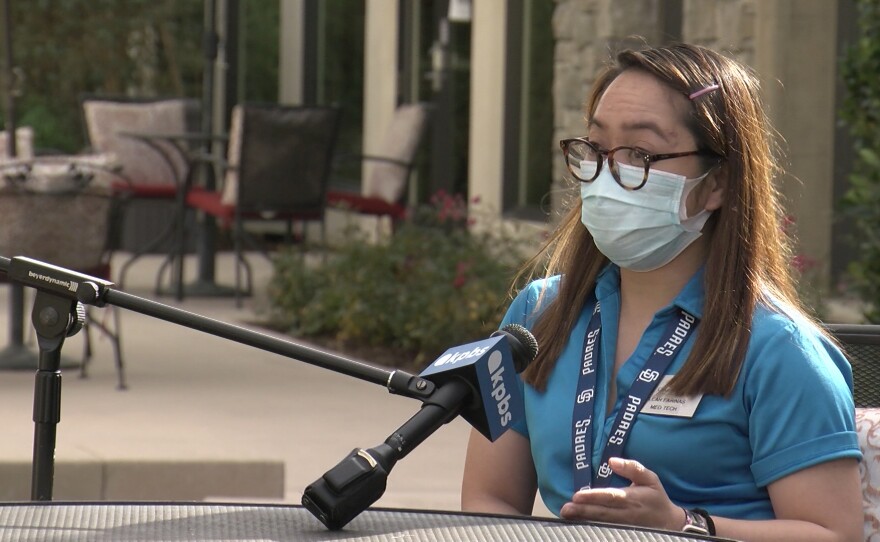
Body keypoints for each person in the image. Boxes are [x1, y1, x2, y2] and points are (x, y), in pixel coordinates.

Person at [460, 42, 863, 541]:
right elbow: (488, 500)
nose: (608, 174)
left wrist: (684, 526)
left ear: (717, 183)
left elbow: (835, 535)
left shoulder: (780, 350)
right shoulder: (539, 312)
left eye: (640, 154)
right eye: (595, 147)